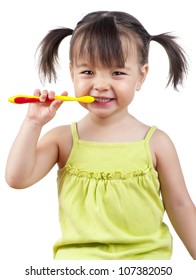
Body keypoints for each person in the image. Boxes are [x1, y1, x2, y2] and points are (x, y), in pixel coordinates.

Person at [5, 11, 196, 260]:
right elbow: (17, 178)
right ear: (73, 73)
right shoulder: (63, 140)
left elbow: (180, 205)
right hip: (77, 268)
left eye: (117, 73)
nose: (101, 84)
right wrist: (33, 122)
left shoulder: (158, 143)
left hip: (147, 265)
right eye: (88, 72)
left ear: (141, 75)